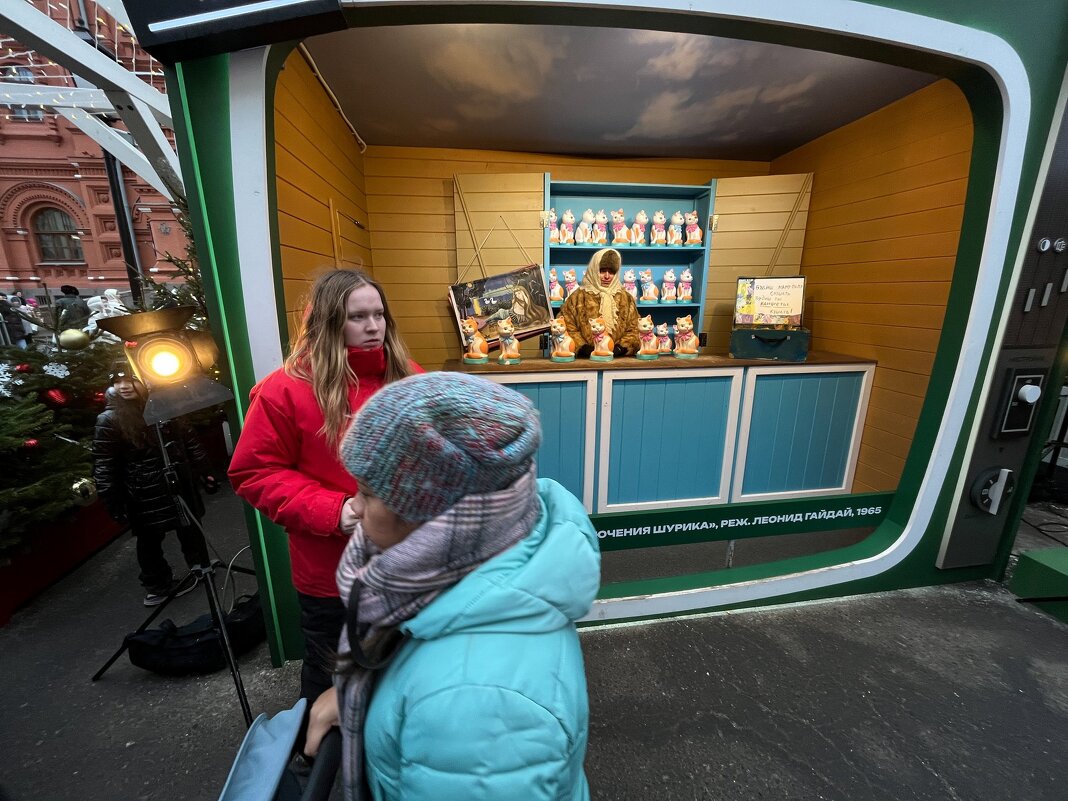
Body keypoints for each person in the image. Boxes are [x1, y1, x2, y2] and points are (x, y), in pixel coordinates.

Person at [303, 371, 601, 801]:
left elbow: (459, 714)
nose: (355, 506)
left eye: (368, 492)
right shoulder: (479, 563)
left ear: (433, 516)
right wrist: (366, 700)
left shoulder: (477, 705)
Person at [228, 268, 421, 701]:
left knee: (403, 677)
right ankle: (320, 763)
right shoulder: (284, 391)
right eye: (357, 317)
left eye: (379, 314)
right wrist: (336, 511)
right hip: (331, 575)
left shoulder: (409, 379)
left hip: (406, 565)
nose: (373, 327)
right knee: (332, 684)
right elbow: (253, 472)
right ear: (329, 323)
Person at [92, 365, 219, 606]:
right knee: (149, 540)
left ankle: (199, 564)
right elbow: (105, 464)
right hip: (143, 492)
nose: (123, 386)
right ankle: (157, 586)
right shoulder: (109, 419)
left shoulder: (164, 405)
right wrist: (112, 500)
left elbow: (189, 440)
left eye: (130, 380)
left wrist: (205, 472)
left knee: (189, 524)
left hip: (176, 482)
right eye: (117, 382)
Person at [558, 247, 641, 357]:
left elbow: (634, 328)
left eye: (611, 272)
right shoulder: (578, 297)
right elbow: (567, 327)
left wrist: (622, 348)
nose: (607, 276)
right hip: (586, 361)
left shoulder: (626, 298)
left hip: (618, 361)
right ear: (594, 270)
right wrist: (582, 348)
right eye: (602, 271)